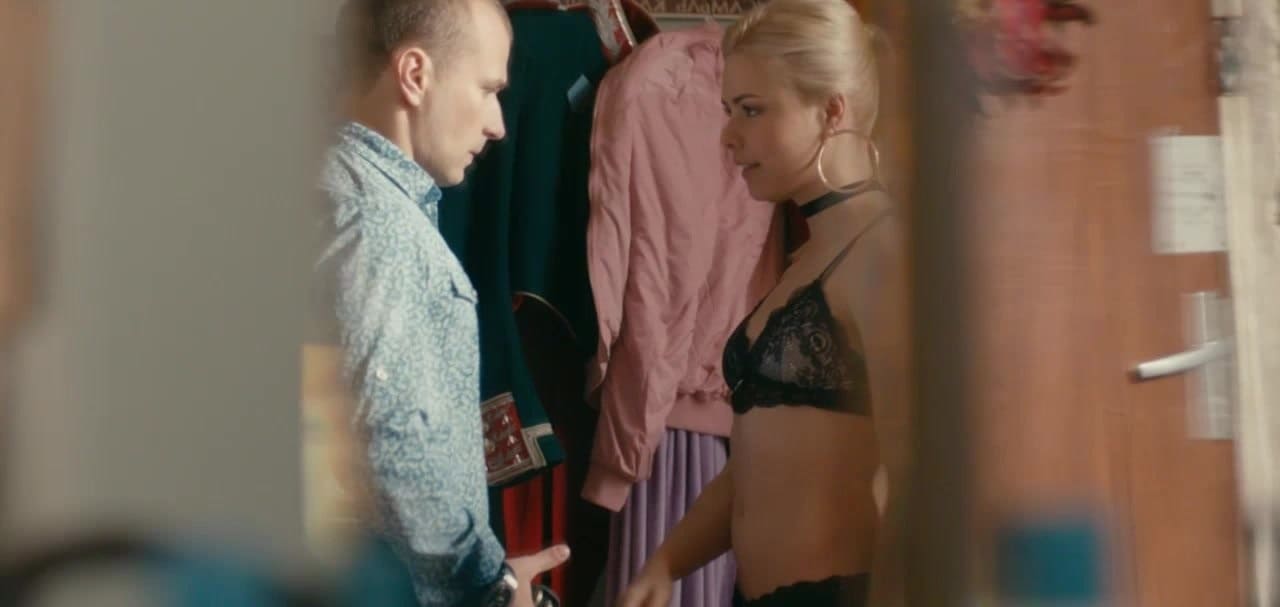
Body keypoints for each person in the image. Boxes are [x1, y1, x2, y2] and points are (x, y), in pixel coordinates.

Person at [617, 0, 911, 605]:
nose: (729, 135)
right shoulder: (810, 255)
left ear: (832, 111)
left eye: (752, 110)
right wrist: (666, 563)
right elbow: (762, 458)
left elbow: (917, 476)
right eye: (729, 110)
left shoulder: (882, 254)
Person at [305, 0, 570, 605]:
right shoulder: (380, 228)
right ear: (415, 74)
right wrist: (492, 584)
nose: (498, 124)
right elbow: (396, 440)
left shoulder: (327, 190)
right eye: (488, 90)